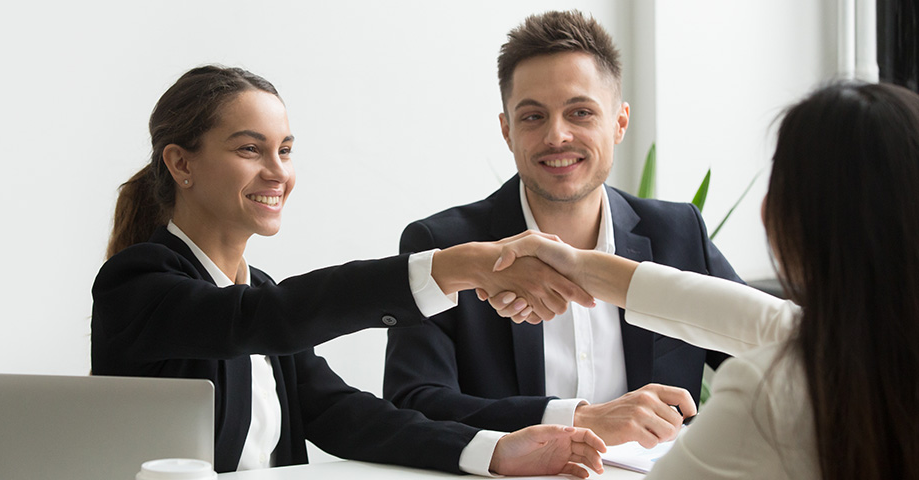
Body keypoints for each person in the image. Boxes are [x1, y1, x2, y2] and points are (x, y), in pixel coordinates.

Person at [90, 65, 608, 477]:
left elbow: (344, 416)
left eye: (285, 150)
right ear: (181, 164)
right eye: (251, 148)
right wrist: (452, 267)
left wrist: (493, 452)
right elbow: (264, 318)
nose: (278, 171)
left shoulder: (257, 291)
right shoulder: (136, 283)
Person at [489, 81, 919, 479]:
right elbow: (748, 315)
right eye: (533, 116)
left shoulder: (766, 391)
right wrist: (575, 264)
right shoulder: (868, 342)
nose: (557, 135)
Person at [383, 9, 740, 448]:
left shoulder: (679, 234)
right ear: (506, 130)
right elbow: (413, 406)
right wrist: (579, 418)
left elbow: (776, 362)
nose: (557, 136)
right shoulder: (445, 246)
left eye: (581, 112)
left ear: (619, 123)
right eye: (533, 116)